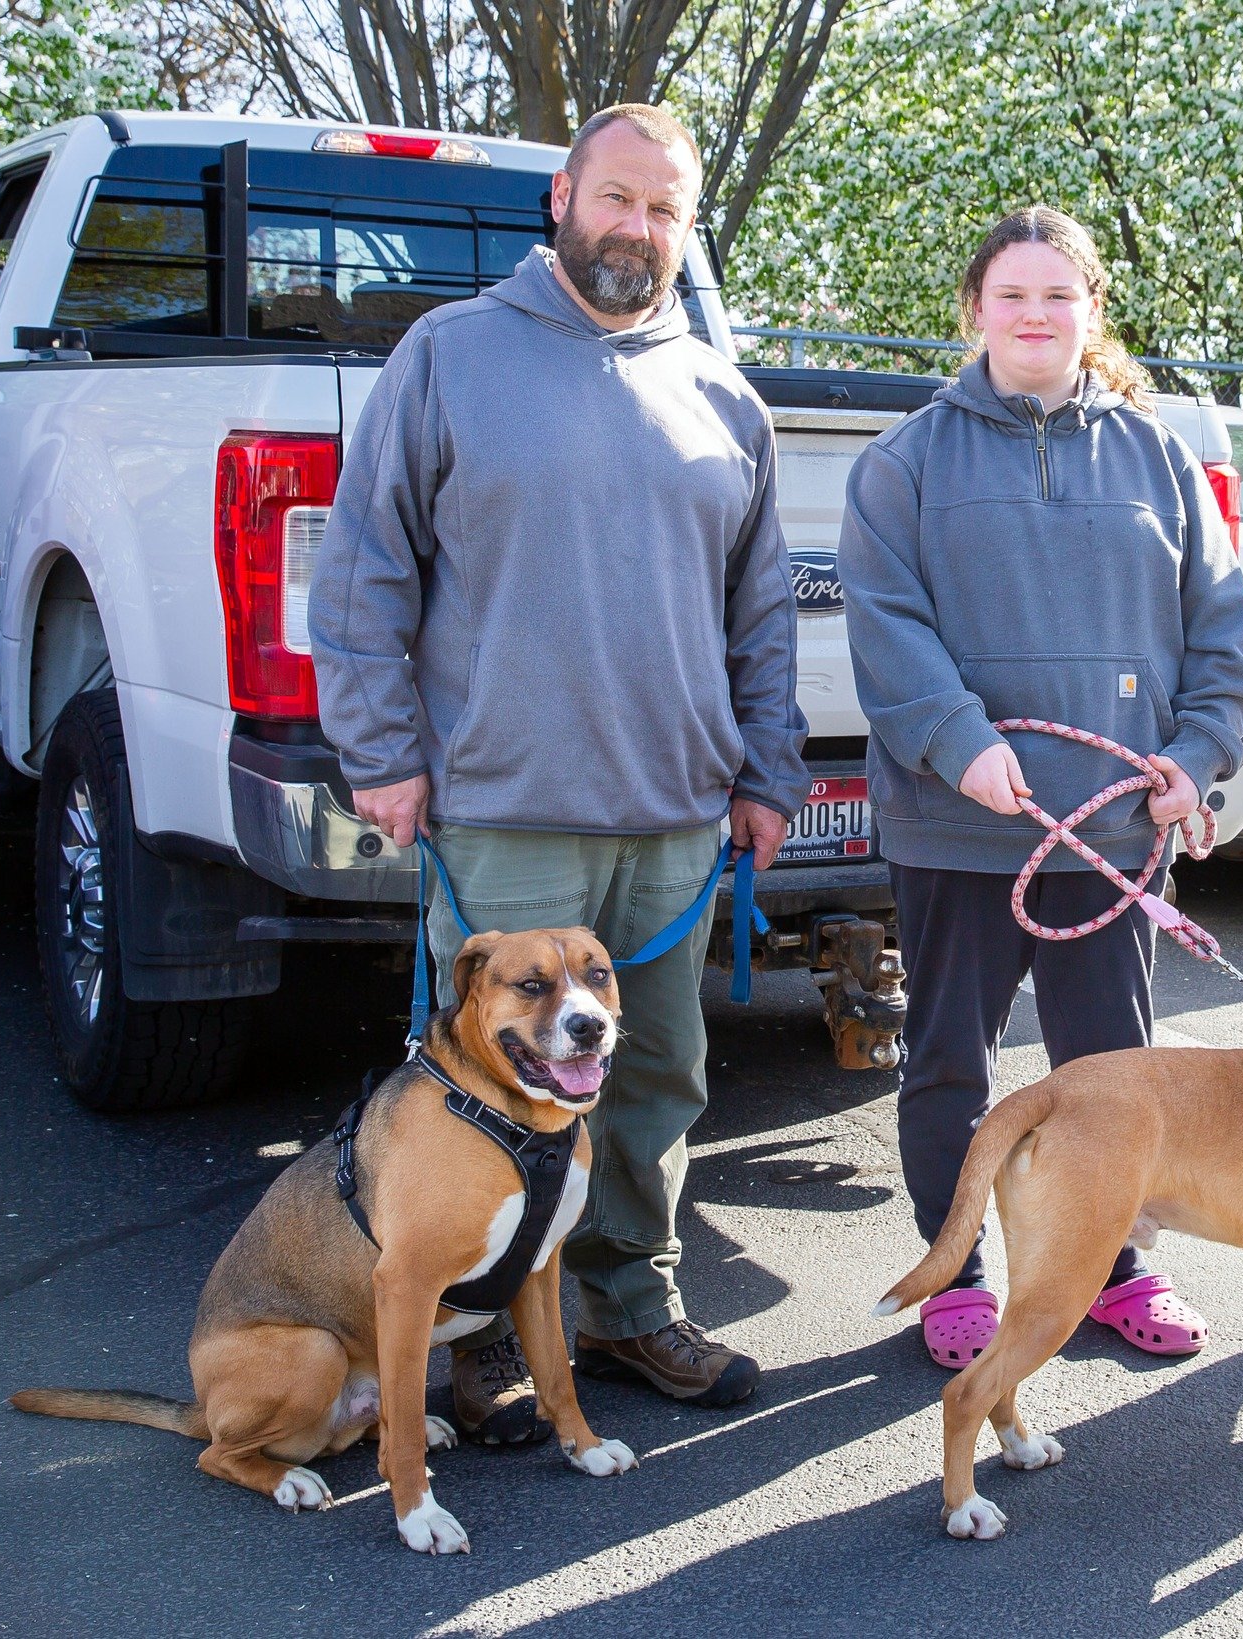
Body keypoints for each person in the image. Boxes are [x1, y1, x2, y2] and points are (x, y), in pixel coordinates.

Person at [309, 104, 807, 1438]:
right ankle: (476, 1339)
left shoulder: (723, 396)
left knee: (647, 1086)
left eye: (664, 210)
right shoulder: (450, 357)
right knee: (489, 1089)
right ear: (562, 201)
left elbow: (759, 616)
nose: (636, 228)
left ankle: (629, 1306)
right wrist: (382, 753)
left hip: (674, 820)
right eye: (617, 197)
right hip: (508, 811)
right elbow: (362, 570)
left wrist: (765, 774)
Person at [839, 206, 1243, 1370]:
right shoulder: (906, 462)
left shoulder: (1157, 456)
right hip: (957, 824)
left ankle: (1112, 1264)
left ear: (1089, 312)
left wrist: (1198, 751)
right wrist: (954, 738)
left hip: (1111, 834)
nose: (1034, 316)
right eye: (1012, 295)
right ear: (974, 308)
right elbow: (886, 630)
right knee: (950, 1066)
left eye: (1057, 296)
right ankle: (951, 1269)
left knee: (1114, 1076)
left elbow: (1217, 632)